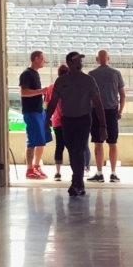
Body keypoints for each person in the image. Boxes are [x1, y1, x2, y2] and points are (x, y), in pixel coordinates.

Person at [44, 52, 107, 197]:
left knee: (78, 150)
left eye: (80, 60)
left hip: (83, 120)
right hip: (67, 120)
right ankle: (79, 183)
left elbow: (98, 103)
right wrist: (47, 118)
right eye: (77, 60)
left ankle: (75, 183)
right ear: (69, 63)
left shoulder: (88, 80)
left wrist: (103, 125)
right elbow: (53, 101)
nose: (80, 63)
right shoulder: (61, 82)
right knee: (72, 152)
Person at [45, 64, 93, 182]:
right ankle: (82, 170)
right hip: (71, 120)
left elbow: (48, 104)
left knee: (59, 146)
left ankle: (58, 172)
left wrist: (47, 119)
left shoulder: (51, 87)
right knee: (79, 147)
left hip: (57, 120)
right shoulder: (74, 85)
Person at [88, 50, 126, 183]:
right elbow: (122, 95)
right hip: (111, 111)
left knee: (98, 143)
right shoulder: (116, 73)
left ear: (97, 59)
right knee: (112, 143)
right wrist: (120, 111)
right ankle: (113, 173)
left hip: (96, 111)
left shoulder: (91, 74)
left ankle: (99, 173)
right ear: (108, 58)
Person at [19, 50, 51, 180]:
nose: (44, 61)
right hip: (31, 112)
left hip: (39, 111)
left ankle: (36, 166)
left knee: (41, 140)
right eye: (43, 59)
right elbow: (23, 92)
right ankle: (29, 169)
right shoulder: (26, 74)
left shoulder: (36, 74)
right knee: (32, 140)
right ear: (36, 59)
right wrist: (41, 91)